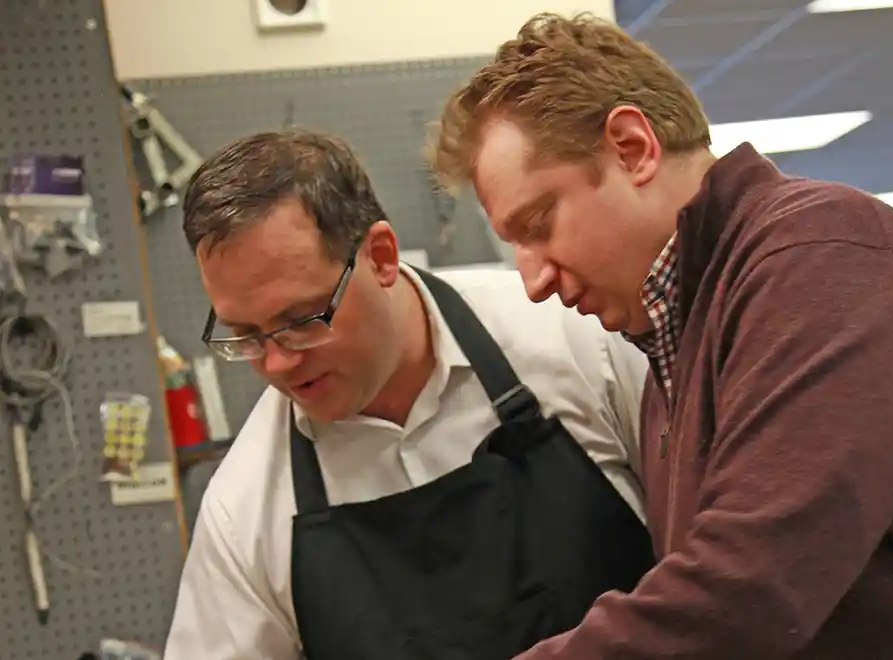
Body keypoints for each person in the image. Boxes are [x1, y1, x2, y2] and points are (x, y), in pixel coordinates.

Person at [427, 12, 893, 660]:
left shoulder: (826, 258)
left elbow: (749, 588)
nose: (534, 281)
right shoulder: (682, 337)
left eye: (539, 222)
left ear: (632, 147)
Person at [162, 130, 657, 660]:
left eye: (301, 319)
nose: (278, 362)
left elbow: (721, 564)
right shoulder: (245, 510)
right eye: (245, 334)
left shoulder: (575, 339)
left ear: (380, 256)